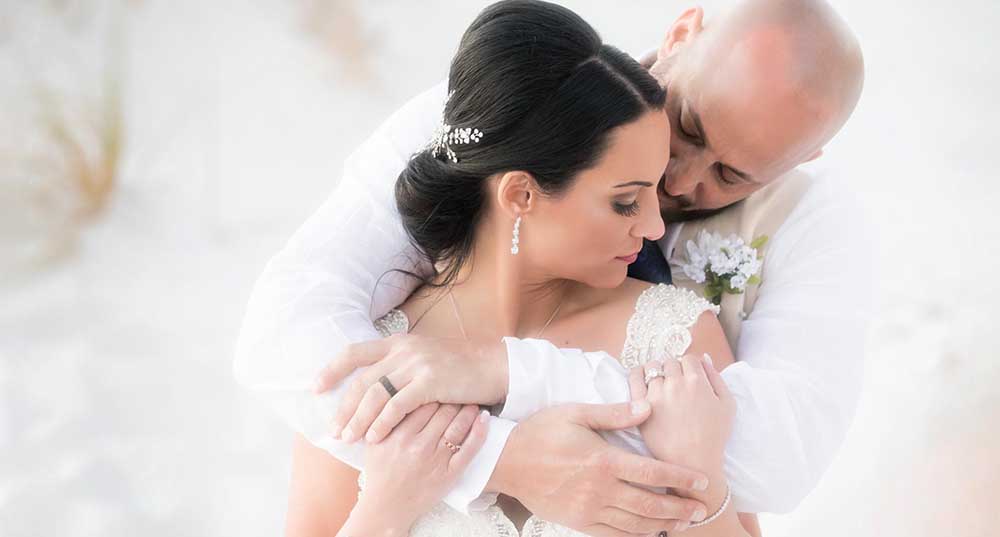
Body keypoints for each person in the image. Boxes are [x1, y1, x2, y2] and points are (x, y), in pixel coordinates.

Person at [234, 0, 871, 534]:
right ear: (520, 192)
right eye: (687, 129)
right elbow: (285, 331)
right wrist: (452, 475)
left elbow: (787, 454)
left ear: (802, 159)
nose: (675, 188)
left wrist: (510, 375)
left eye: (731, 175)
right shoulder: (386, 356)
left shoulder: (675, 334)